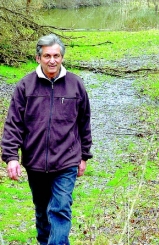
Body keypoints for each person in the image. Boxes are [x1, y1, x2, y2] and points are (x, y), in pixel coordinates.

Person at [1, 34, 93, 244]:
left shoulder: (75, 85)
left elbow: (84, 122)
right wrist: (11, 157)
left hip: (66, 160)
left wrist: (84, 155)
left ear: (62, 57)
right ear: (38, 58)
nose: (52, 60)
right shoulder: (25, 86)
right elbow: (14, 123)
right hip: (35, 162)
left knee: (60, 209)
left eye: (56, 55)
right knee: (43, 212)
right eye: (47, 56)